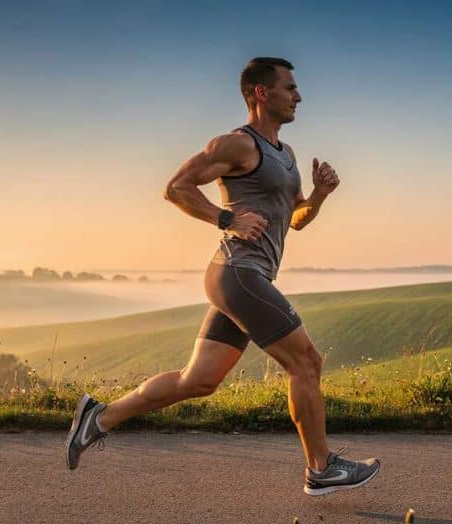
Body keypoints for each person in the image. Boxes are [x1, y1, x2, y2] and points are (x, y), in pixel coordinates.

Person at [66, 57, 379, 496]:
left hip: (243, 278)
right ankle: (320, 468)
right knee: (305, 362)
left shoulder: (286, 156)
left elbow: (296, 219)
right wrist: (225, 217)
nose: (300, 96)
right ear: (261, 94)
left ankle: (97, 419)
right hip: (238, 273)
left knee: (198, 381)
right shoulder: (238, 145)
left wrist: (321, 196)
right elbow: (176, 186)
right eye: (290, 88)